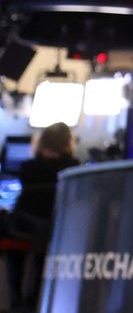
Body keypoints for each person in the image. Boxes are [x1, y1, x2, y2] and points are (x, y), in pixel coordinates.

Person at [6, 122, 78, 307]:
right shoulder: (72, 168)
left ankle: (14, 300)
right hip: (53, 230)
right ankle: (35, 300)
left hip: (23, 227)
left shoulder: (27, 167)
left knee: (11, 240)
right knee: (42, 259)